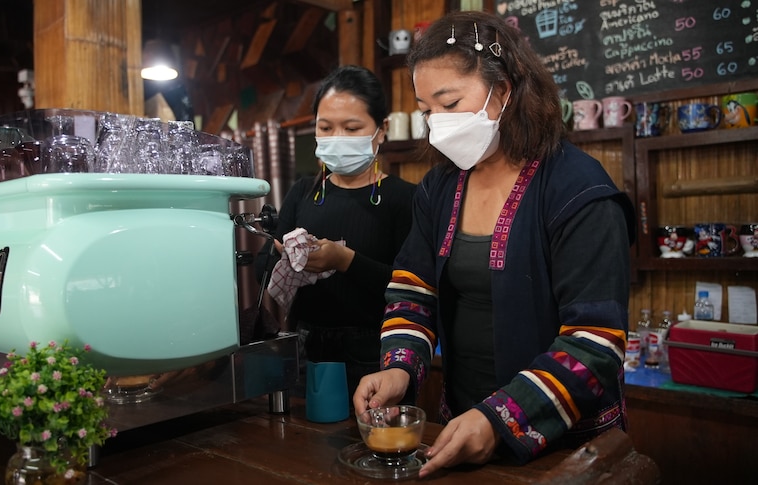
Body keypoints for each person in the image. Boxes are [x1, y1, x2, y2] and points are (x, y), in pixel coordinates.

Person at [352, 10, 635, 477]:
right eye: (426, 111)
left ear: (502, 91)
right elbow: (412, 292)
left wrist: (499, 419)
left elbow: (595, 342)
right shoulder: (440, 189)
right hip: (459, 430)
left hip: (568, 447)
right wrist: (399, 368)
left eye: (449, 102)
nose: (435, 124)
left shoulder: (577, 190)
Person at [257, 65, 417, 397]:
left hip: (377, 354)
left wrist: (346, 261)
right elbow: (263, 271)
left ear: (381, 130)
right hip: (306, 351)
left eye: (352, 127)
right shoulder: (303, 192)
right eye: (326, 127)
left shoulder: (405, 198)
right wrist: (282, 259)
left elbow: (414, 288)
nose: (336, 139)